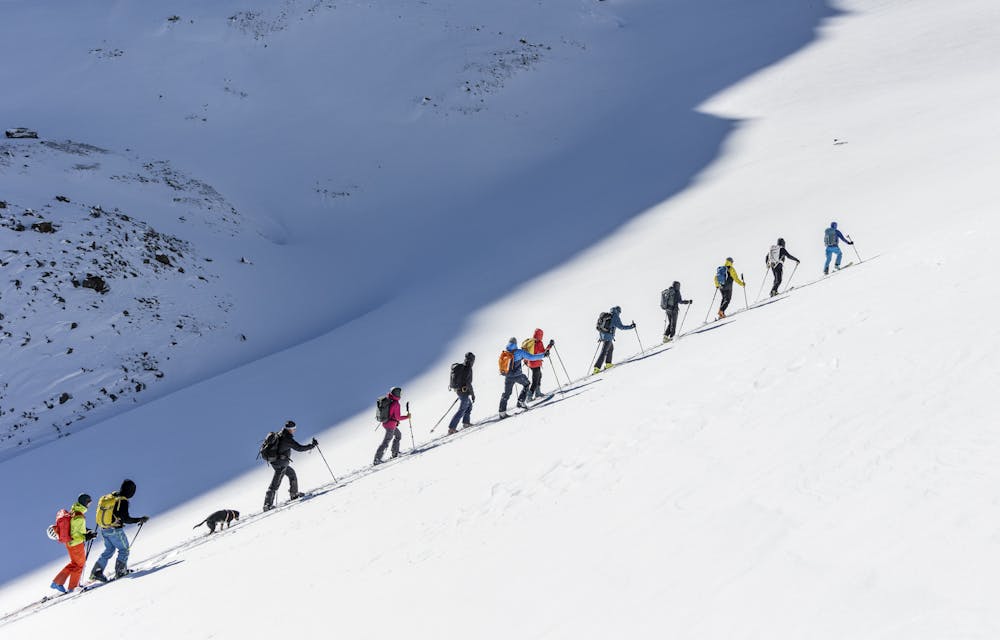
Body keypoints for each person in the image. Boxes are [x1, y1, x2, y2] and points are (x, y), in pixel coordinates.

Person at [90, 480, 149, 582]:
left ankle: (96, 572)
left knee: (109, 550)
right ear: (129, 491)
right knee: (124, 549)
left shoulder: (113, 496)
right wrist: (139, 519)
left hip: (104, 529)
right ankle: (120, 571)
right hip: (115, 530)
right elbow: (125, 518)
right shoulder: (123, 501)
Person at [263, 421, 317, 510]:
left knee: (292, 474)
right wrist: (312, 445)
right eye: (294, 429)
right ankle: (267, 504)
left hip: (276, 462)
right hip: (281, 464)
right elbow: (299, 448)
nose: (295, 430)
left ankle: (294, 494)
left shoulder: (280, 434)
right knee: (275, 483)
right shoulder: (287, 439)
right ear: (290, 429)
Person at [50, 494, 97, 593]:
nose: (90, 504)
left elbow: (75, 528)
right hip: (76, 544)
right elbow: (75, 534)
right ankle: (73, 587)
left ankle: (58, 582)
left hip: (70, 543)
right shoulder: (79, 516)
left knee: (74, 564)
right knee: (80, 565)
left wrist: (88, 532)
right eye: (89, 502)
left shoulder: (74, 511)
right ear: (85, 502)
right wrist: (86, 537)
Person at [500, 337, 548, 417]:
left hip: (508, 376)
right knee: (527, 384)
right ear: (515, 343)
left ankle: (502, 412)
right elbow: (531, 357)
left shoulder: (505, 352)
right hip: (517, 375)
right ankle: (521, 402)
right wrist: (543, 355)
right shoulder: (519, 352)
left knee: (506, 393)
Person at [593, 306, 635, 374]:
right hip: (608, 337)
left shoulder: (608, 316)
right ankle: (596, 368)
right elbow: (621, 327)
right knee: (604, 352)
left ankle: (608, 363)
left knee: (610, 348)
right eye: (620, 312)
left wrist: (601, 337)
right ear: (618, 311)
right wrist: (631, 326)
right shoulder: (615, 317)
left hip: (604, 336)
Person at [374, 387, 411, 465]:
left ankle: (395, 452)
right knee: (386, 441)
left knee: (398, 435)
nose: (401, 395)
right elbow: (398, 417)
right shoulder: (396, 404)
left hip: (387, 423)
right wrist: (407, 417)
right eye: (400, 393)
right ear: (397, 394)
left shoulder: (389, 399)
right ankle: (377, 459)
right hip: (390, 425)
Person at [522, 328, 555, 400]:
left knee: (539, 376)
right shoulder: (538, 343)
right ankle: (529, 396)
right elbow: (543, 352)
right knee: (535, 380)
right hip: (536, 363)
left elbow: (542, 352)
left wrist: (549, 346)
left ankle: (537, 392)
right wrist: (550, 346)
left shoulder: (531, 342)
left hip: (531, 363)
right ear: (540, 335)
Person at [447, 353, 476, 435]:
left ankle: (466, 423)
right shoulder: (467, 368)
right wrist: (473, 394)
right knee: (462, 409)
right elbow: (468, 383)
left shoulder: (462, 366)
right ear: (472, 360)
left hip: (459, 391)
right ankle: (452, 428)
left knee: (469, 405)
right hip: (463, 392)